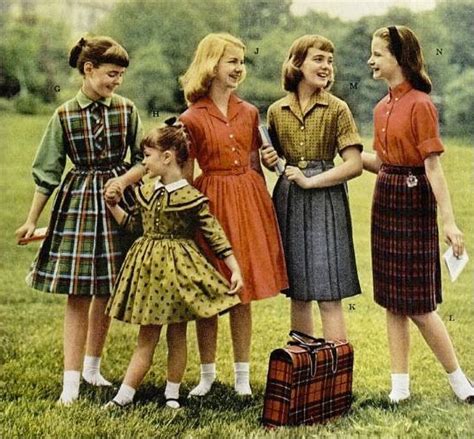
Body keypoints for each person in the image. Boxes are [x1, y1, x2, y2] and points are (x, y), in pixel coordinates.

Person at [14, 36, 144, 405]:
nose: (116, 82)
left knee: (106, 288)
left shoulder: (127, 109)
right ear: (88, 70)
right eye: (111, 74)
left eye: (120, 76)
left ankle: (92, 367)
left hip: (118, 203)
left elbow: (143, 159)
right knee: (78, 292)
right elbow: (47, 173)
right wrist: (30, 220)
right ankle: (70, 382)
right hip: (80, 206)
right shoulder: (64, 115)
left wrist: (123, 182)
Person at [363, 25, 474, 403]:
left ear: (399, 56)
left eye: (377, 54)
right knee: (393, 301)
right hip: (386, 199)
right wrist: (342, 151)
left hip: (415, 203)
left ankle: (460, 381)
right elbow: (379, 162)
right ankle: (400, 387)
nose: (371, 60)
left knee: (420, 305)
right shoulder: (381, 107)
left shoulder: (421, 104)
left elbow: (432, 167)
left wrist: (449, 221)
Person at [104, 119, 242, 408]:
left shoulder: (191, 197)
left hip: (178, 275)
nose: (144, 164)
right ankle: (124, 396)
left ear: (167, 157)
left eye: (147, 157)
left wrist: (234, 268)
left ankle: (172, 395)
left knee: (177, 335)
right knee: (147, 337)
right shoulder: (146, 191)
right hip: (150, 274)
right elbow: (132, 225)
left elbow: (214, 234)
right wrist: (113, 205)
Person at [179, 33, 288, 396]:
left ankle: (242, 376)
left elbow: (257, 164)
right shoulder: (191, 117)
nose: (239, 68)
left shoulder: (250, 111)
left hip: (248, 200)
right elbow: (185, 174)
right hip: (210, 203)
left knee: (244, 291)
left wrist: (271, 165)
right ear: (211, 65)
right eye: (232, 61)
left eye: (242, 62)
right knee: (210, 290)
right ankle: (207, 374)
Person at [261, 35, 362, 342]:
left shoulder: (338, 109)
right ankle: (303, 371)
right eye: (319, 59)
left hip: (326, 200)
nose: (326, 66)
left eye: (330, 61)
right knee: (298, 290)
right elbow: (278, 163)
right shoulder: (277, 111)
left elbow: (353, 164)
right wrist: (269, 160)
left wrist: (311, 180)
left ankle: (335, 373)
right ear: (297, 63)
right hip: (289, 199)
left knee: (329, 290)